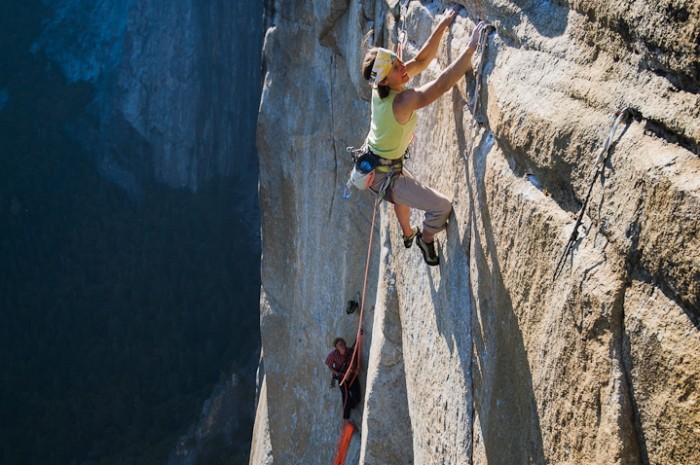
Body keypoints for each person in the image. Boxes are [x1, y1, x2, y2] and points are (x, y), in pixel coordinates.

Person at [362, 10, 486, 266]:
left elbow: (420, 60)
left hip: (377, 165)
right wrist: (472, 48)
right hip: (385, 175)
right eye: (396, 67)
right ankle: (425, 237)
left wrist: (441, 26)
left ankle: (408, 233)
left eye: (397, 60)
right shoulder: (402, 100)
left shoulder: (382, 86)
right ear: (384, 80)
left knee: (400, 192)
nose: (401, 66)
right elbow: (440, 85)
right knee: (441, 207)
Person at [325, 337, 362, 427]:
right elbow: (329, 365)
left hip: (351, 375)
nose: (341, 346)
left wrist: (353, 369)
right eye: (338, 345)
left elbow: (355, 350)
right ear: (336, 348)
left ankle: (351, 406)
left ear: (345, 344)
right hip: (342, 376)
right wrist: (337, 373)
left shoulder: (350, 351)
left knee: (357, 397)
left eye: (342, 344)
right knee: (346, 397)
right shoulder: (333, 355)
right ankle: (345, 420)